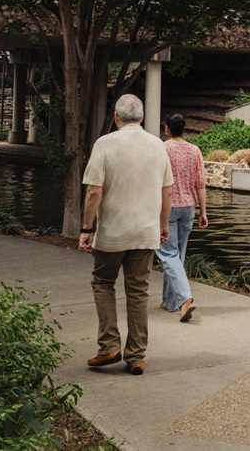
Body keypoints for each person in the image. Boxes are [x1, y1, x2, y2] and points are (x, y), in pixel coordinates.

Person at [79, 94, 172, 376]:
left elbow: (94, 191)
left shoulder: (105, 143)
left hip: (112, 232)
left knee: (103, 282)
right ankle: (136, 356)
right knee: (138, 291)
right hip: (145, 232)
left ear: (116, 117)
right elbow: (167, 191)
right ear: (142, 117)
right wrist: (163, 225)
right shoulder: (158, 145)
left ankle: (108, 345)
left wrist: (86, 228)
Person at [158, 112, 208, 322]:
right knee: (177, 256)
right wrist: (203, 211)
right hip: (188, 207)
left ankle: (184, 298)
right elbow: (200, 183)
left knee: (168, 255)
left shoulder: (162, 148)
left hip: (167, 207)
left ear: (167, 128)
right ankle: (170, 302)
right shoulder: (194, 150)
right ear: (184, 128)